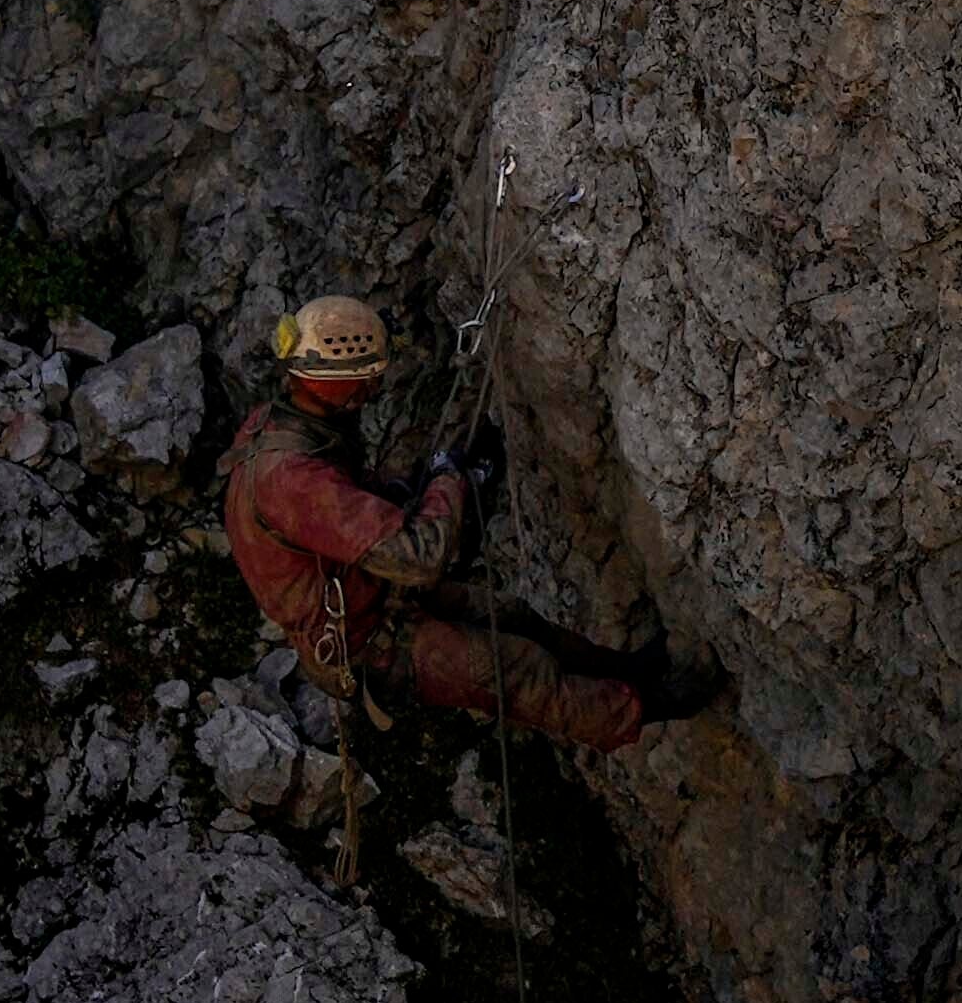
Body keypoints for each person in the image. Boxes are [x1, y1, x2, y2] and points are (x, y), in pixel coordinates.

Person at [222, 296, 652, 752]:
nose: (373, 389)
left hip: (373, 598)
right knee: (518, 669)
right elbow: (421, 556)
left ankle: (634, 671)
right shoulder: (292, 479)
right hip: (367, 644)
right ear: (339, 386)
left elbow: (341, 512)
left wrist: (410, 490)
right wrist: (449, 477)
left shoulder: (285, 426)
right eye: (368, 379)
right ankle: (652, 704)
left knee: (513, 617)